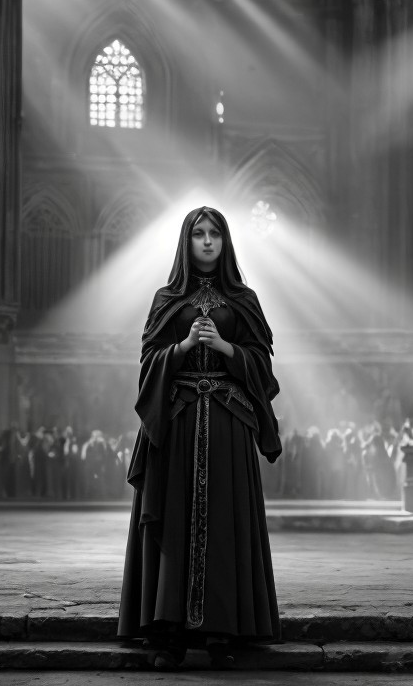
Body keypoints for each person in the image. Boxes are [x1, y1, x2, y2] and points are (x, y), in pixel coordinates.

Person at [118, 206, 284, 669]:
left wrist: (228, 348)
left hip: (228, 426)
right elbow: (149, 363)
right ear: (186, 242)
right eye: (199, 234)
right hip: (178, 422)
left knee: (225, 523)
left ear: (226, 241)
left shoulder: (243, 299)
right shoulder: (166, 297)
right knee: (173, 520)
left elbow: (264, 370)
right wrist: (186, 347)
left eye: (215, 234)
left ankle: (221, 633)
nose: (208, 241)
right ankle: (167, 634)